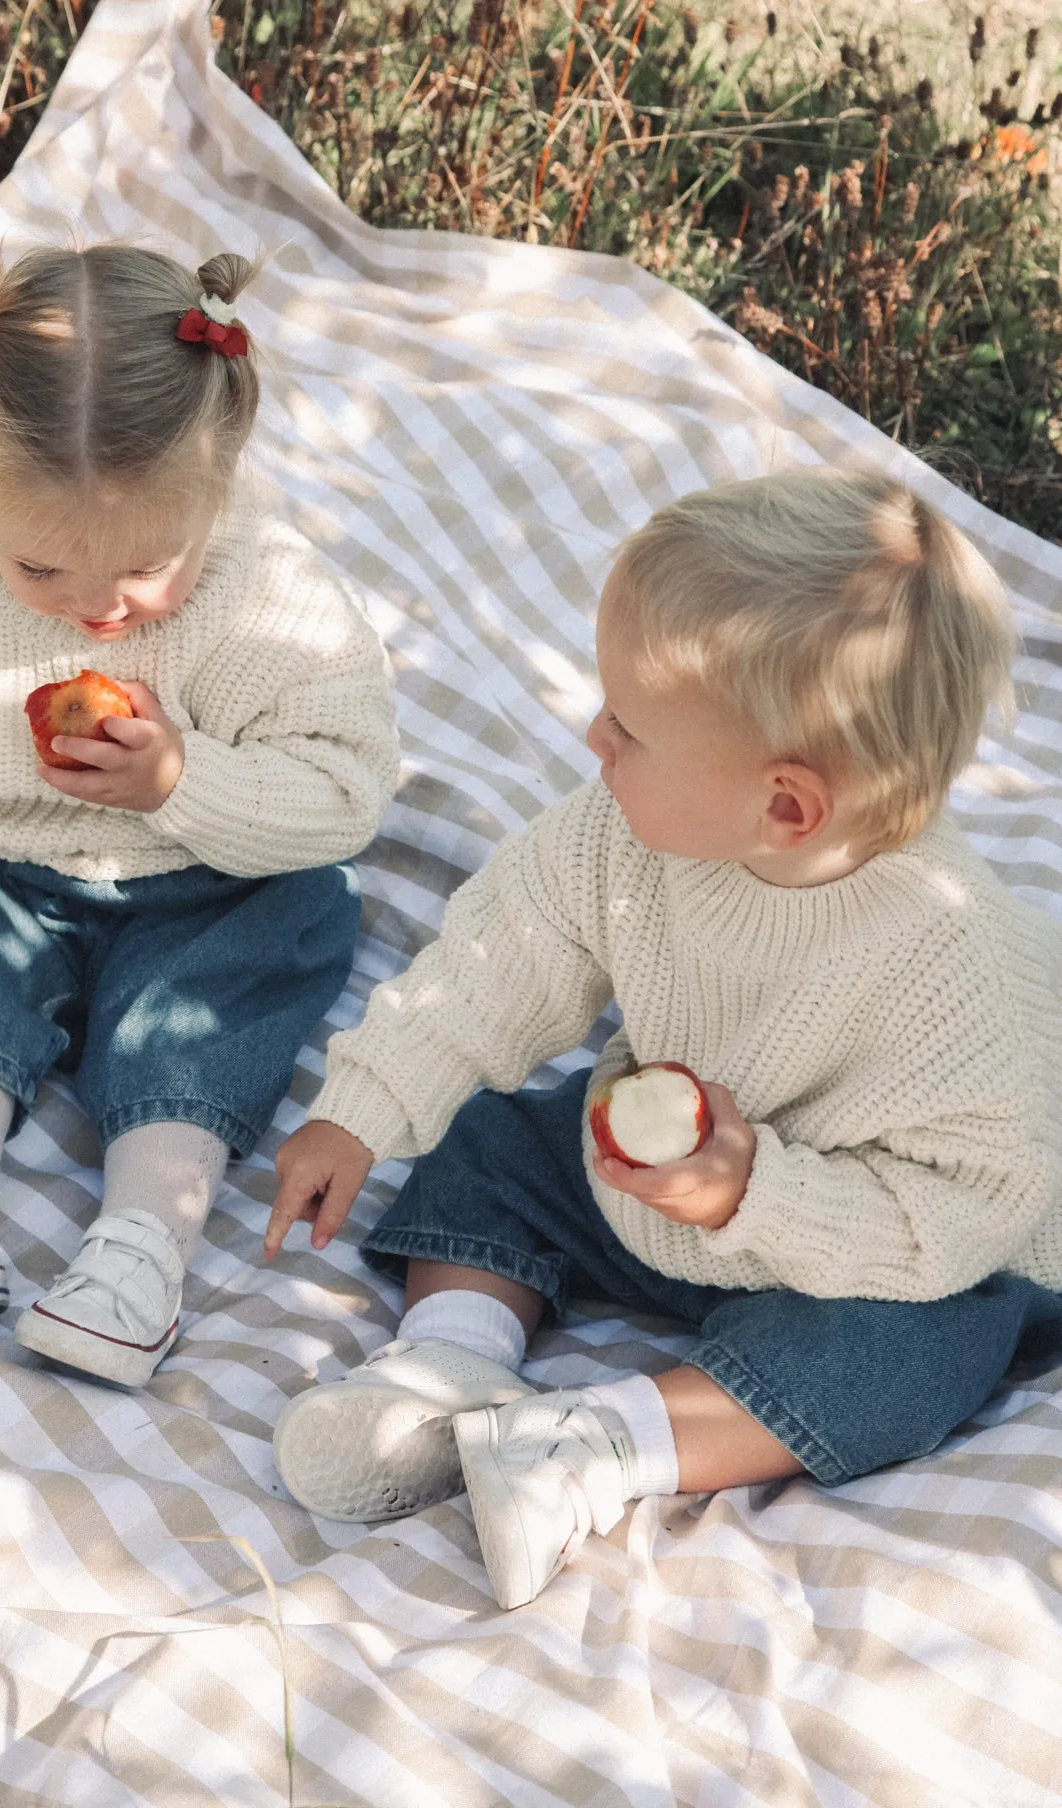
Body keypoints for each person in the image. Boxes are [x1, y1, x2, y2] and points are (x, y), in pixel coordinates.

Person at [265, 469, 1062, 1610]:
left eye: (628, 728)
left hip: (884, 1245)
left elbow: (959, 1209)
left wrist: (755, 1196)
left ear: (784, 806)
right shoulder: (619, 834)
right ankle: (449, 1360)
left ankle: (594, 1443)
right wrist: (363, 1106)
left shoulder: (954, 971)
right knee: (495, 1140)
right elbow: (500, 961)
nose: (594, 736)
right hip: (656, 1184)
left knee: (920, 1354)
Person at [0, 245, 399, 1389]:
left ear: (220, 479)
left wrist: (183, 781)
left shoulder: (273, 597)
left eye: (146, 569)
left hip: (204, 872)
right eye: (42, 568)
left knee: (266, 941)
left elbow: (345, 787)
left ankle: (141, 1242)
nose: (98, 608)